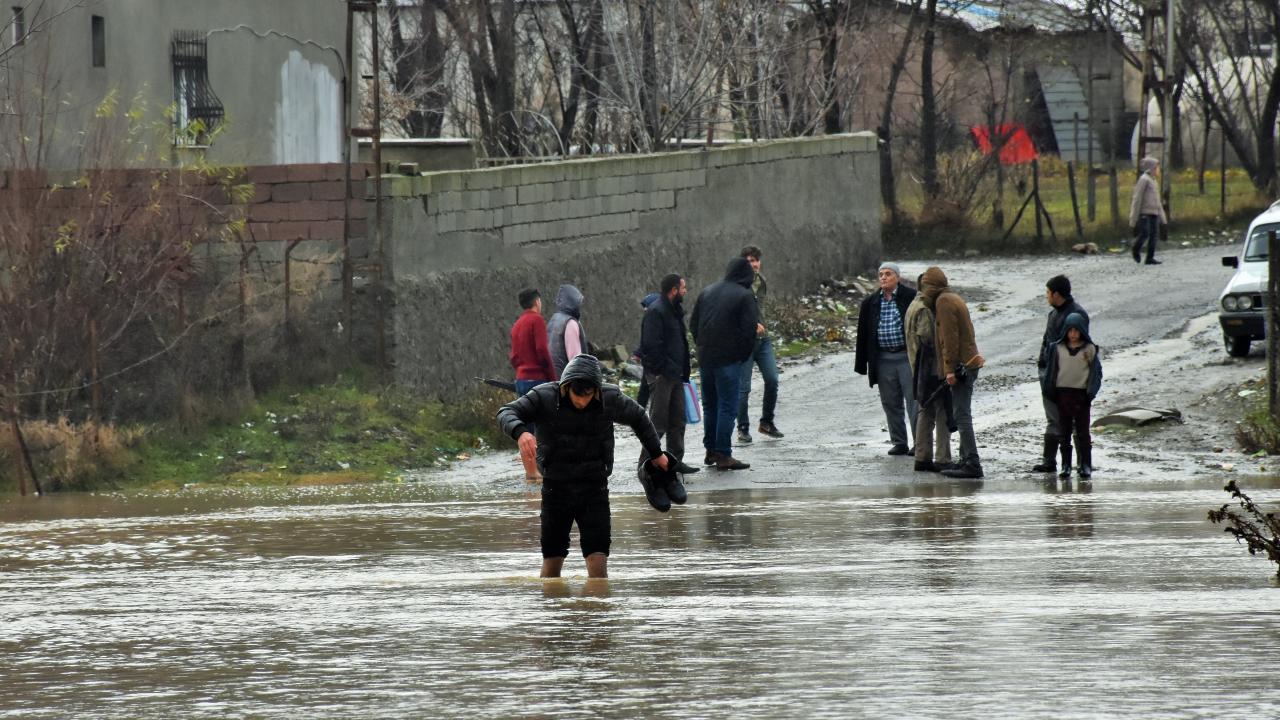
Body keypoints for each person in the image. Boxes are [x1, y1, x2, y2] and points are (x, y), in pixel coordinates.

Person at [496, 354, 675, 579]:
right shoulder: (544, 397)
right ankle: (551, 612)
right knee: (552, 561)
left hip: (594, 487)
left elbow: (639, 418)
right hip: (555, 488)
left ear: (596, 391)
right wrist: (520, 432)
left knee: (598, 560)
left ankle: (598, 609)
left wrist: (657, 454)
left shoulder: (610, 398)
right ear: (565, 388)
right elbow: (506, 412)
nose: (582, 401)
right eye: (576, 395)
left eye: (588, 396)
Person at [690, 257, 759, 470]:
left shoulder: (707, 291)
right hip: (728, 361)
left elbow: (693, 324)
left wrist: (702, 345)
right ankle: (723, 453)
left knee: (710, 406)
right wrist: (742, 355)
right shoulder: (745, 296)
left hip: (705, 358)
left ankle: (710, 450)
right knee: (728, 407)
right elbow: (749, 331)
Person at [919, 267, 986, 479]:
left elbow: (950, 339)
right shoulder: (952, 297)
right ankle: (965, 459)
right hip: (969, 362)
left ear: (931, 287)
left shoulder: (943, 302)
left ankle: (972, 463)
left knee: (961, 415)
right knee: (960, 412)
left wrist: (949, 369)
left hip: (962, 366)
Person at [855, 262, 918, 455]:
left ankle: (919, 443)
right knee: (890, 402)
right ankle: (899, 442)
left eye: (888, 274)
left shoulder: (911, 297)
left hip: (906, 356)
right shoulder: (871, 302)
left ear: (897, 277)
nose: (883, 277)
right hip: (883, 358)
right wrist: (862, 364)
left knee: (914, 400)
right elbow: (863, 334)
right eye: (881, 274)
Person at [639, 274, 699, 474]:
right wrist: (662, 370)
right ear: (673, 290)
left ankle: (674, 462)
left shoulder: (674, 311)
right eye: (683, 288)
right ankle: (645, 465)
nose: (685, 291)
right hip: (662, 376)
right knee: (658, 423)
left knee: (678, 420)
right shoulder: (656, 312)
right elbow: (651, 345)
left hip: (675, 375)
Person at [1033, 275, 1089, 474]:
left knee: (1073, 420)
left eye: (1048, 293)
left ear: (1056, 294)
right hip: (1049, 374)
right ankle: (1050, 461)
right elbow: (1046, 343)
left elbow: (1081, 349)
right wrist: (1043, 368)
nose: (1046, 296)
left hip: (1068, 378)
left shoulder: (1076, 316)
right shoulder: (1054, 315)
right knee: (1054, 418)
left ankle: (1082, 463)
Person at [1041, 313, 1102, 479]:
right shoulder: (1057, 348)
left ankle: (1085, 465)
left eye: (1077, 330)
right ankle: (1066, 465)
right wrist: (1050, 391)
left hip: (1081, 395)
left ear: (1082, 331)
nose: (1073, 334)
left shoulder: (1089, 349)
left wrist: (1091, 392)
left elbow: (1096, 373)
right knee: (1064, 432)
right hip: (1063, 394)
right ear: (1066, 331)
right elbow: (1051, 371)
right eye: (1070, 330)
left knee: (1083, 432)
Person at [736, 245, 784, 444]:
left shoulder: (761, 282)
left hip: (763, 340)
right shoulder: (737, 286)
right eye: (749, 261)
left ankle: (766, 422)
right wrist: (750, 325)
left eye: (756, 260)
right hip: (744, 343)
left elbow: (759, 309)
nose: (754, 264)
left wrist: (761, 324)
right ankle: (743, 427)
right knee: (743, 388)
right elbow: (734, 314)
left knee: (772, 379)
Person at [905, 273, 952, 473]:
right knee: (941, 412)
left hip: (918, 367)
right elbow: (929, 339)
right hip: (930, 368)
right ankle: (942, 459)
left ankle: (922, 457)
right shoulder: (923, 309)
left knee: (926, 410)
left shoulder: (912, 305)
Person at [509, 288, 557, 482]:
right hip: (538, 379)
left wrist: (520, 370)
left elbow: (513, 356)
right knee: (544, 426)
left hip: (521, 380)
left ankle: (530, 472)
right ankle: (541, 469)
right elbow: (542, 350)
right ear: (537, 301)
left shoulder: (517, 324)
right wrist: (553, 378)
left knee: (525, 427)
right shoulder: (536, 320)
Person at [1129, 156, 1167, 265]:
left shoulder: (1154, 181)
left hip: (1154, 212)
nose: (1158, 170)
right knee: (1145, 233)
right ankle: (1136, 248)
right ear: (1151, 168)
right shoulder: (1144, 179)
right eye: (1156, 168)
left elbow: (1157, 201)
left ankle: (1150, 258)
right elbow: (1137, 198)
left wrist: (1163, 218)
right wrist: (1133, 217)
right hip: (1144, 212)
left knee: (1154, 235)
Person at [548, 284, 587, 380]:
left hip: (552, 378)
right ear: (573, 301)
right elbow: (576, 360)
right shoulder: (570, 323)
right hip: (566, 381)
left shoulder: (554, 319)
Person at [634, 292, 661, 409]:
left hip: (653, 362)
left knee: (646, 391)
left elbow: (648, 340)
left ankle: (638, 415)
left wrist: (639, 353)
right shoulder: (650, 318)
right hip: (650, 362)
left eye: (646, 306)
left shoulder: (653, 318)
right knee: (645, 391)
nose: (645, 309)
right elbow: (646, 339)